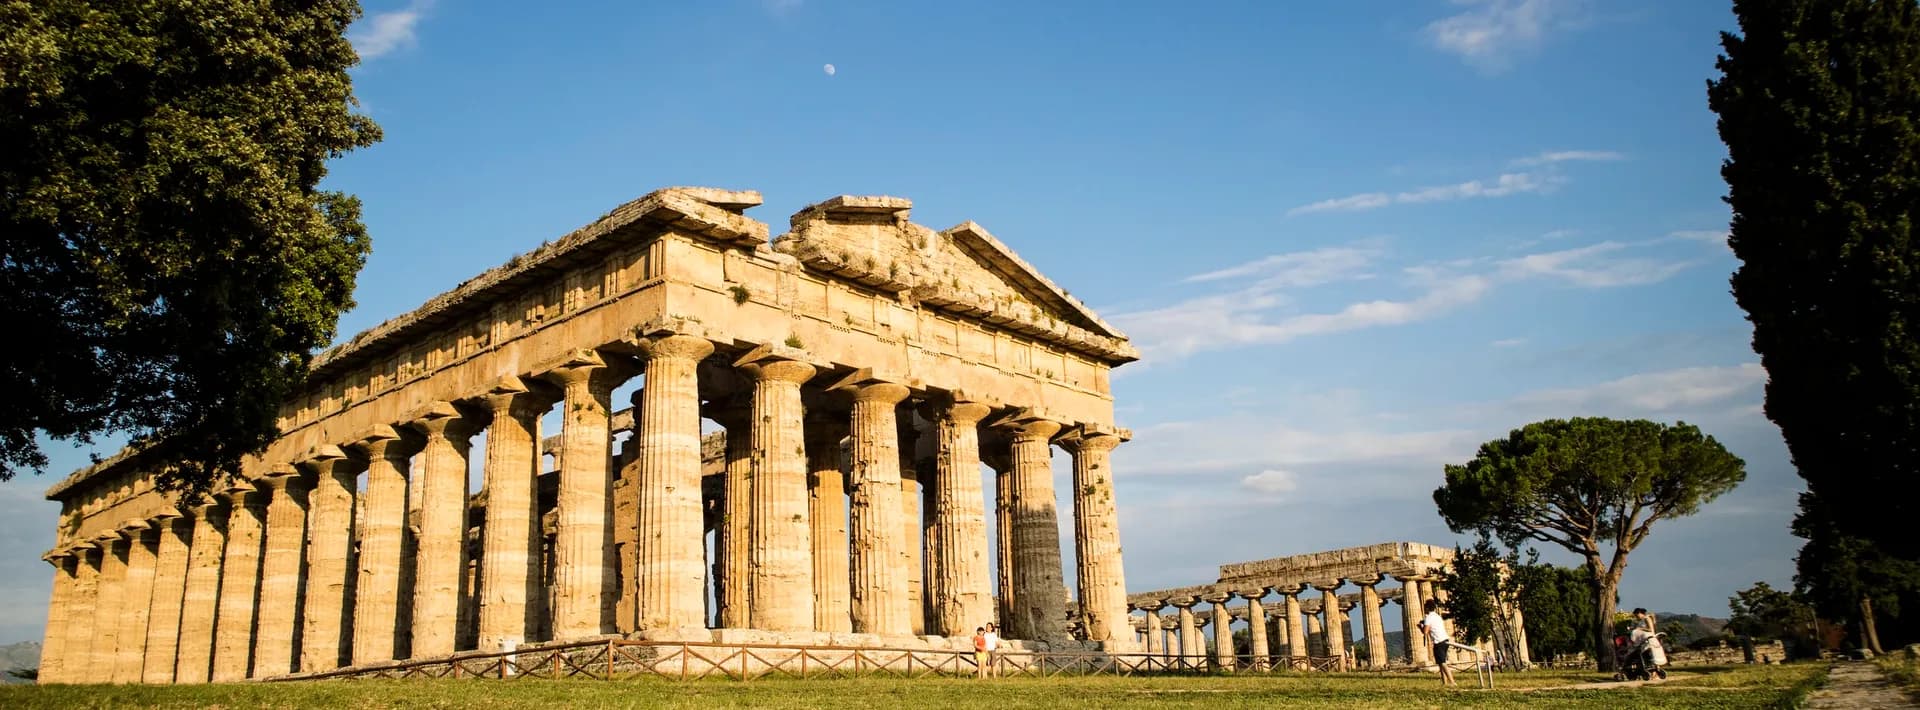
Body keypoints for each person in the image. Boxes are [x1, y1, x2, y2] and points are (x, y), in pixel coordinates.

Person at [1420, 599, 1458, 689]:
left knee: (1443, 663)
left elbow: (1425, 632)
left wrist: (1420, 627)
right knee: (1440, 663)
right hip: (1445, 639)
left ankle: (1452, 682)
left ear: (1427, 608)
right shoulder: (1437, 616)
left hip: (1438, 641)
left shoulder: (1428, 618)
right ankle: (1444, 682)